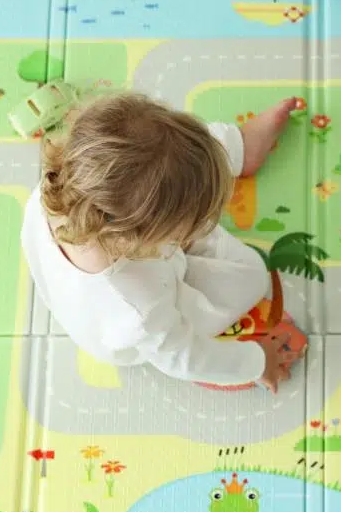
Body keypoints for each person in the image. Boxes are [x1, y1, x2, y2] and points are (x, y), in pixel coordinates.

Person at [21, 90, 301, 392]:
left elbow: (160, 159)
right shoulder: (139, 304)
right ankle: (227, 157)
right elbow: (183, 357)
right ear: (146, 237)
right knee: (252, 276)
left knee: (171, 153)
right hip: (128, 322)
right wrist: (256, 363)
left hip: (116, 274)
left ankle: (237, 147)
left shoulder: (69, 179)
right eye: (184, 229)